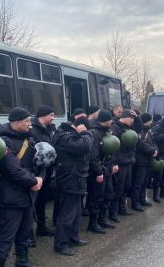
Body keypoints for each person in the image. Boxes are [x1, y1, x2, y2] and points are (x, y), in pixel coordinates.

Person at [0, 107, 43, 267]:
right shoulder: (3, 141)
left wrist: (40, 177)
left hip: (27, 194)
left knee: (25, 230)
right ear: (17, 122)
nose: (30, 124)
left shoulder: (28, 139)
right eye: (27, 121)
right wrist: (34, 181)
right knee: (6, 233)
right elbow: (12, 169)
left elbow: (41, 161)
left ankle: (22, 260)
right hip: (10, 195)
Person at [52, 116, 93, 256]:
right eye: (85, 128)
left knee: (76, 212)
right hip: (70, 179)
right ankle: (60, 245)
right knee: (66, 214)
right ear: (80, 126)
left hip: (76, 177)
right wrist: (86, 133)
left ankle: (73, 238)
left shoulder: (72, 135)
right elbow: (85, 147)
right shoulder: (67, 136)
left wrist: (83, 134)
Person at [109, 109, 142, 222]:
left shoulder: (129, 127)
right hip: (120, 162)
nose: (132, 121)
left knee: (126, 187)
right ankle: (113, 212)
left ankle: (122, 208)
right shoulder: (115, 127)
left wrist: (137, 117)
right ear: (124, 117)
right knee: (118, 188)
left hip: (128, 161)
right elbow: (113, 148)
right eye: (131, 118)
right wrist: (114, 163)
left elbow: (139, 128)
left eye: (133, 119)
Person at [87, 110, 117, 233]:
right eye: (111, 119)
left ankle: (102, 219)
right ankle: (92, 223)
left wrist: (113, 165)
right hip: (98, 172)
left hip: (108, 170)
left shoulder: (106, 132)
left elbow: (112, 152)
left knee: (108, 195)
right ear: (106, 120)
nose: (112, 121)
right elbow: (92, 157)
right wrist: (99, 172)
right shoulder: (94, 133)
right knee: (96, 197)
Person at [30, 105, 56, 239]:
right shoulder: (32, 130)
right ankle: (28, 235)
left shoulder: (49, 130)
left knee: (42, 200)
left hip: (46, 171)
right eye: (51, 115)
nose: (53, 118)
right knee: (31, 203)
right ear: (43, 116)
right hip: (34, 173)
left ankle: (41, 227)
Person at [132, 113, 158, 211]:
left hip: (148, 160)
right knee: (138, 183)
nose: (151, 122)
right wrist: (152, 151)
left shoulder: (148, 132)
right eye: (149, 120)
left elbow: (154, 143)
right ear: (145, 121)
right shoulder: (140, 132)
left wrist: (155, 150)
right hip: (140, 161)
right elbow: (142, 145)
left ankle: (142, 199)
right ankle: (135, 203)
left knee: (145, 182)